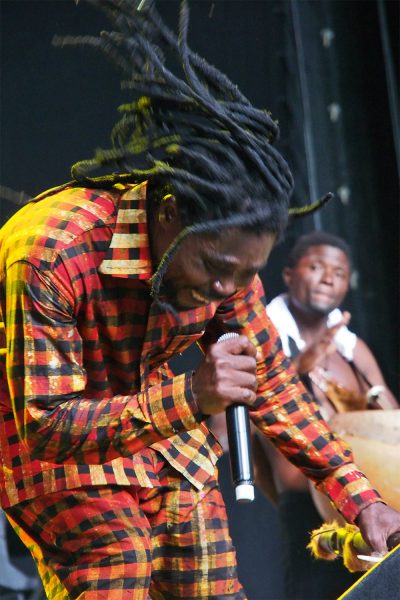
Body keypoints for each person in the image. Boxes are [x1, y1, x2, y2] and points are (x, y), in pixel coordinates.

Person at [0, 2, 399, 599]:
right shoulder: (50, 251)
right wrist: (190, 395)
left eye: (246, 274)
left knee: (209, 576)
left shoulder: (231, 270)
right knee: (118, 559)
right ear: (167, 213)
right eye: (215, 268)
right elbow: (46, 426)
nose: (227, 289)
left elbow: (272, 385)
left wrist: (361, 498)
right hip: (54, 453)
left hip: (158, 440)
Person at [252, 230, 398, 600]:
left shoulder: (352, 348)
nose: (329, 277)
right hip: (305, 510)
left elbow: (392, 424)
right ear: (289, 275)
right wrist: (301, 367)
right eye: (316, 266)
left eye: (339, 271)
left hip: (372, 508)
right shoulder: (264, 341)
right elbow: (259, 427)